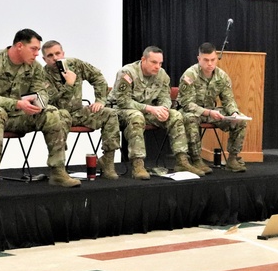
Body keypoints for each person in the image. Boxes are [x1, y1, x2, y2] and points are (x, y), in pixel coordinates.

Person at [0, 28, 78, 193]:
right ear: (20, 46)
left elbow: (41, 93)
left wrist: (37, 103)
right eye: (34, 49)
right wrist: (17, 104)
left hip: (16, 116)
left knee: (51, 111)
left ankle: (58, 171)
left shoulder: (34, 68)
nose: (37, 54)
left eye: (38, 49)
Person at [107, 46, 205, 179]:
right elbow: (123, 101)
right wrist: (151, 109)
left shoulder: (162, 75)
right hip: (119, 111)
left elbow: (165, 96)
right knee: (136, 116)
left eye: (160, 63)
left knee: (175, 115)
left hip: (147, 111)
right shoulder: (127, 73)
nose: (157, 66)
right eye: (154, 62)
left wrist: (163, 109)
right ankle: (138, 165)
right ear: (143, 60)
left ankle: (182, 161)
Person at [41, 40, 126, 180]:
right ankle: (59, 169)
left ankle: (108, 162)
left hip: (78, 112)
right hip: (58, 115)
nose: (55, 58)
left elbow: (98, 77)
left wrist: (100, 100)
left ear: (63, 53)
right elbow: (50, 100)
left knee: (110, 114)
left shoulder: (75, 64)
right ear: (44, 59)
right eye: (50, 55)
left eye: (57, 53)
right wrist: (69, 84)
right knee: (59, 116)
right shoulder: (42, 75)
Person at [177, 43, 249, 173]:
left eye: (213, 60)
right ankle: (196, 160)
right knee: (189, 118)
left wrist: (233, 113)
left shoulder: (222, 76)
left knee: (240, 120)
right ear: (199, 59)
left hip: (211, 111)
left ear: (216, 58)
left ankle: (233, 159)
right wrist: (208, 112)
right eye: (206, 60)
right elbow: (187, 104)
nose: (210, 63)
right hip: (193, 111)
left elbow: (228, 100)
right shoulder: (189, 75)